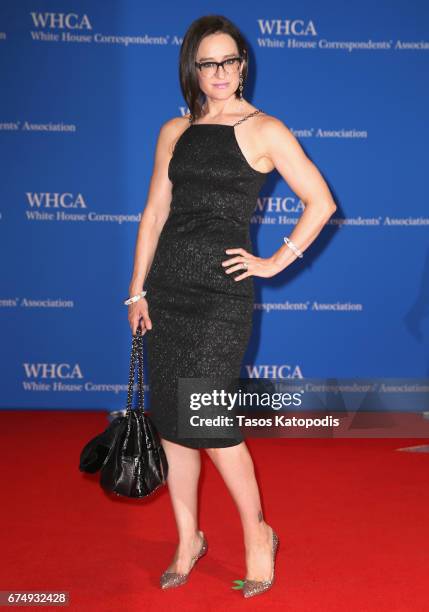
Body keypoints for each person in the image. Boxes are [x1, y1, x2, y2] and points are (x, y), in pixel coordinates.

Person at [127, 14, 337, 598]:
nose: (219, 72)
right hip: (166, 290)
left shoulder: (266, 129)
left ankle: (256, 533)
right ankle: (188, 537)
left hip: (220, 297)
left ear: (243, 64)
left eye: (229, 61)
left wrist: (275, 260)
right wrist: (137, 289)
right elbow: (154, 214)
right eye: (207, 62)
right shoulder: (175, 130)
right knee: (172, 423)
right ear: (194, 69)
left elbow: (319, 201)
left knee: (212, 423)